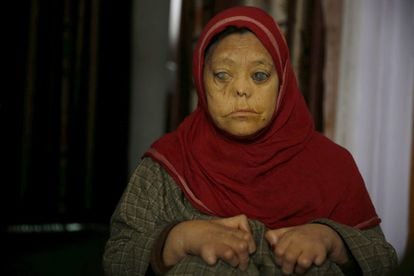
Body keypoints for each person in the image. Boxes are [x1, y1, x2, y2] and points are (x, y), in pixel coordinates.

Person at [103, 6, 397, 275]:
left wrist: (333, 240)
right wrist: (179, 239)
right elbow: (116, 258)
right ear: (200, 81)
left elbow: (382, 259)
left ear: (283, 83)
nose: (241, 89)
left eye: (259, 75)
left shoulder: (333, 165)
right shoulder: (168, 164)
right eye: (222, 75)